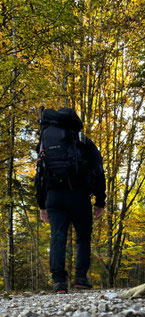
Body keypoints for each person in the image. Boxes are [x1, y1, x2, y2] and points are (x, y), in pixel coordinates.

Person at [34, 107, 106, 293]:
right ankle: (80, 279)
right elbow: (98, 172)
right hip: (79, 195)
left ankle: (59, 283)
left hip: (54, 197)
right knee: (83, 237)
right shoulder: (83, 141)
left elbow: (39, 175)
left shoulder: (45, 143)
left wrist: (42, 204)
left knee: (57, 237)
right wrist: (100, 201)